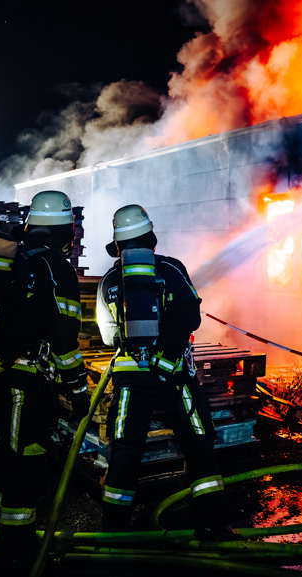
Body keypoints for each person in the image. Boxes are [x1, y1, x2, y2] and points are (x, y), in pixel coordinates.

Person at [96, 204, 238, 539]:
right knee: (199, 446)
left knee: (125, 452)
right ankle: (211, 525)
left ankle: (114, 533)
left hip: (131, 382)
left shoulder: (109, 281)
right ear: (151, 238)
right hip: (176, 378)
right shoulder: (172, 269)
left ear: (117, 245)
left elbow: (108, 337)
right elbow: (192, 317)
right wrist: (166, 354)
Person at [0, 190, 90, 573]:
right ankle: (15, 553)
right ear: (66, 231)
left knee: (4, 454)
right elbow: (64, 340)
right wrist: (79, 390)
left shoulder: (19, 259)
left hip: (0, 372)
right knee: (24, 464)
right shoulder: (56, 268)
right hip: (25, 384)